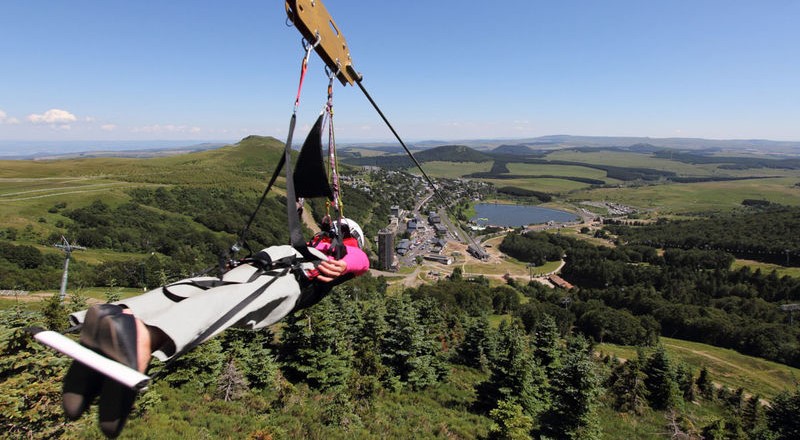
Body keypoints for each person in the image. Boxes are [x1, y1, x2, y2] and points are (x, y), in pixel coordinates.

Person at [61, 217, 370, 438]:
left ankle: (119, 314)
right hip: (291, 278)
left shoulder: (314, 243)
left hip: (262, 263)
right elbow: (361, 260)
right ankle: (145, 336)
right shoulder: (341, 251)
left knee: (196, 289)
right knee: (223, 306)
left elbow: (355, 258)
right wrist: (344, 263)